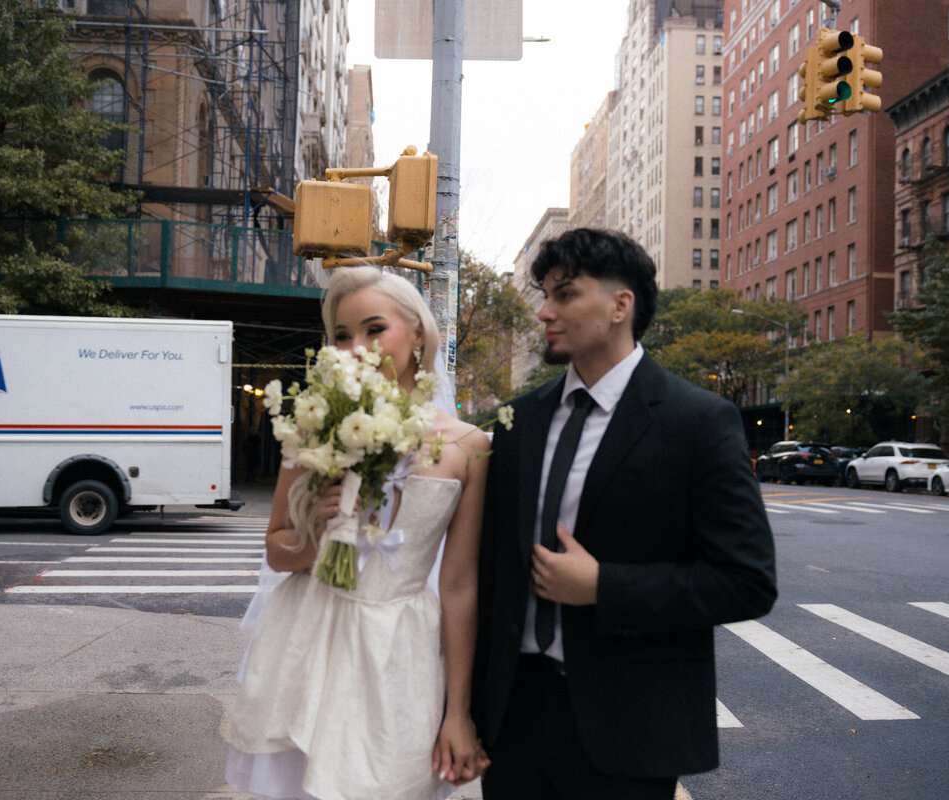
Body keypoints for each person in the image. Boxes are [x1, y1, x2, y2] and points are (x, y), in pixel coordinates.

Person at [472, 228, 778, 799]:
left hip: (628, 729)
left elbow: (748, 581)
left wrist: (603, 586)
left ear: (620, 305)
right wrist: (463, 712)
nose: (544, 311)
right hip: (512, 723)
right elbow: (488, 574)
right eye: (545, 295)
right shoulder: (518, 423)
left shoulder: (698, 422)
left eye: (565, 294)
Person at [225, 266, 491, 800]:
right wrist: (317, 535)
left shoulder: (468, 446)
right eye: (341, 336)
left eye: (374, 330)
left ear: (417, 333)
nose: (356, 348)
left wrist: (458, 713)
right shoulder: (315, 423)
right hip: (310, 639)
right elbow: (278, 551)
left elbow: (460, 586)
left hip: (402, 653)